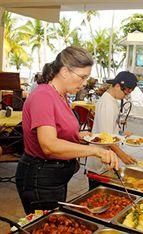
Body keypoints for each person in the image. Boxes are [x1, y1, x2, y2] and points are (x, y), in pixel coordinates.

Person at [15, 46, 118, 214]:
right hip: (40, 176)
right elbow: (49, 145)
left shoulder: (60, 95)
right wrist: (95, 151)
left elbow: (57, 131)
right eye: (83, 77)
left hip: (55, 176)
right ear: (64, 71)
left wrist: (77, 136)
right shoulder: (43, 96)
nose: (85, 83)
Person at [86, 71, 138, 189]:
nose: (126, 96)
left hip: (105, 157)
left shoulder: (111, 100)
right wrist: (122, 155)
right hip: (99, 162)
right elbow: (106, 138)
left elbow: (108, 129)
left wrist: (120, 133)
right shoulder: (107, 103)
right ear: (118, 86)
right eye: (126, 92)